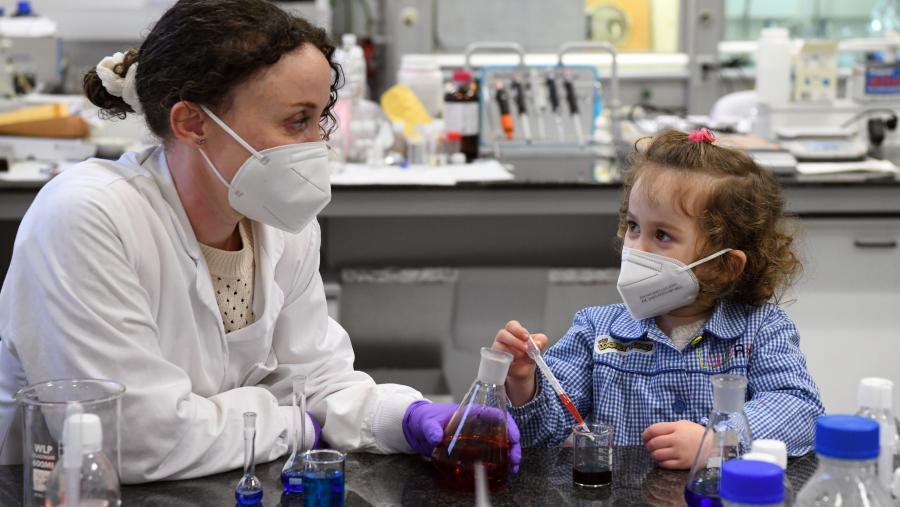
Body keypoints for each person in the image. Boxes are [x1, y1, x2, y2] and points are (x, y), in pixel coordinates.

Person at [0, 0, 519, 482]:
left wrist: (406, 418)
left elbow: (316, 382)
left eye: (322, 118)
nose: (317, 144)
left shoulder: (275, 220)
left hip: (215, 482)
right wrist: (295, 424)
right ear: (192, 122)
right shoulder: (88, 216)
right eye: (297, 120)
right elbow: (133, 440)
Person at [492, 128, 824, 469]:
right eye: (634, 227)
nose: (637, 248)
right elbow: (539, 435)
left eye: (662, 235)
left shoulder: (760, 330)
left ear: (724, 265)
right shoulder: (597, 330)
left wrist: (719, 439)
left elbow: (800, 409)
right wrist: (523, 383)